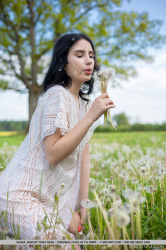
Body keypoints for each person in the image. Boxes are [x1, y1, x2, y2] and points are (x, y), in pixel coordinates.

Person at [0, 33, 116, 249]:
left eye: (91, 55)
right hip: (21, 196)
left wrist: (81, 207)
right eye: (79, 55)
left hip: (48, 199)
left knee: (73, 242)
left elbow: (84, 155)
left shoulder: (83, 103)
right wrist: (91, 116)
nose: (89, 60)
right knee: (65, 245)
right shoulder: (56, 95)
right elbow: (53, 154)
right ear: (62, 62)